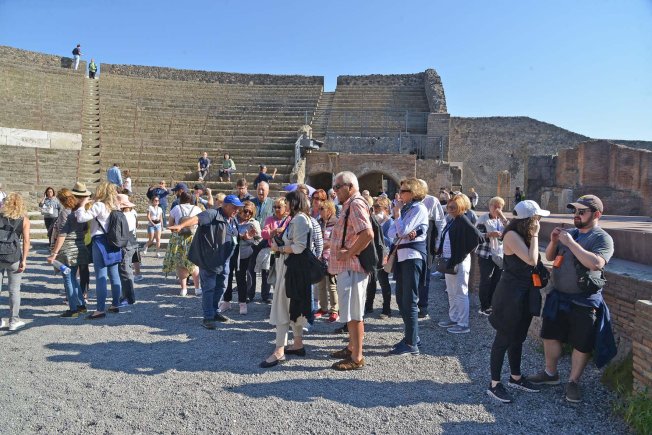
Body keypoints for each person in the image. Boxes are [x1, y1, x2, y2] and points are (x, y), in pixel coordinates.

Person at [529, 195, 615, 403]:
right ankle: (550, 373)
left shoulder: (602, 238)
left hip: (584, 300)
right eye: (574, 211)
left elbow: (596, 263)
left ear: (596, 214)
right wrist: (554, 241)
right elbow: (551, 257)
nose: (576, 215)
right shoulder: (571, 233)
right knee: (550, 335)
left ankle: (573, 381)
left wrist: (571, 243)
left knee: (581, 343)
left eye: (581, 212)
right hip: (559, 296)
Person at [486, 200, 549, 403]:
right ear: (530, 220)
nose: (539, 221)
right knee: (503, 338)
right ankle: (494, 384)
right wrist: (536, 235)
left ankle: (515, 377)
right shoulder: (512, 235)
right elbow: (531, 260)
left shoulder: (522, 234)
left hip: (526, 292)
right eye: (537, 218)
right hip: (510, 294)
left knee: (518, 337)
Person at [169, 195, 242, 330]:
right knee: (209, 287)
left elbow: (233, 235)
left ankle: (214, 311)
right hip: (210, 259)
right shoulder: (212, 214)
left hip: (224, 260)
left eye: (238, 208)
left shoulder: (232, 219)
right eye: (234, 207)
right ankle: (208, 317)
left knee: (222, 286)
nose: (237, 210)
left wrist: (244, 236)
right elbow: (197, 219)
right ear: (225, 205)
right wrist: (181, 225)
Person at [261, 190, 313, 368]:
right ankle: (298, 343)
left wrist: (279, 249)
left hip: (291, 270)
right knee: (293, 307)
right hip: (294, 269)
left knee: (282, 307)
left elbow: (299, 247)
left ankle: (279, 350)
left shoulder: (299, 220)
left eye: (288, 202)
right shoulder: (301, 219)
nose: (286, 205)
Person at [328, 171, 374, 371]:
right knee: (351, 312)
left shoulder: (355, 204)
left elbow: (367, 234)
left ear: (350, 186)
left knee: (355, 314)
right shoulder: (351, 204)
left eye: (338, 187)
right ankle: (351, 347)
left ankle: (357, 357)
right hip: (349, 268)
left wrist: (348, 253)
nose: (335, 191)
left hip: (353, 267)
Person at [387, 178, 429, 355]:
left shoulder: (418, 209)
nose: (399, 194)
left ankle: (411, 343)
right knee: (401, 298)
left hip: (412, 257)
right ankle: (411, 336)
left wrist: (397, 217)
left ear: (413, 193)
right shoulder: (407, 209)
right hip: (403, 257)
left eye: (403, 191)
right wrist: (399, 222)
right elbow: (392, 233)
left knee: (409, 300)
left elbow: (401, 231)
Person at [436, 194, 483, 334]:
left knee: (461, 292)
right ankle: (454, 318)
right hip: (451, 261)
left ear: (461, 207)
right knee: (451, 291)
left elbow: (477, 237)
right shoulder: (453, 220)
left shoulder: (462, 219)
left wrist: (462, 253)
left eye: (453, 207)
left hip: (459, 261)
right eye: (449, 207)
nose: (450, 209)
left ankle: (463, 323)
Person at [75, 182, 122, 319]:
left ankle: (100, 309)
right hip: (114, 241)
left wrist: (82, 204)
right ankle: (115, 304)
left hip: (100, 241)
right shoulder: (116, 206)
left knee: (101, 276)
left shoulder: (99, 205)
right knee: (114, 275)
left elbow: (81, 218)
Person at [47, 186, 91, 317]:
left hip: (67, 249)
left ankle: (73, 309)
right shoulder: (79, 211)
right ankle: (81, 305)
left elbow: (62, 234)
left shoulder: (65, 212)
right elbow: (85, 229)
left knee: (68, 279)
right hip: (79, 247)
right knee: (73, 278)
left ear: (61, 200)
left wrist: (54, 253)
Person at [0, 192, 30, 331]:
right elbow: (26, 241)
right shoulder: (24, 219)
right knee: (14, 290)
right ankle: (14, 320)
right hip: (14, 257)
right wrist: (24, 259)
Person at [416, 179, 446, 318]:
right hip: (413, 241)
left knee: (425, 275)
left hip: (427, 240)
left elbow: (440, 223)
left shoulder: (432, 201)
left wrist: (437, 244)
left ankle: (423, 306)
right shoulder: (409, 200)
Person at [163, 192, 202, 296]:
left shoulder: (176, 208)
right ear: (191, 199)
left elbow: (170, 225)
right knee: (194, 263)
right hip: (193, 238)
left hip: (178, 239)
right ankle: (197, 288)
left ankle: (183, 289)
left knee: (181, 264)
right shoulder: (197, 209)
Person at [475, 196, 509, 316]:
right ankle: (484, 306)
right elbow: (477, 236)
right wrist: (490, 234)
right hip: (486, 253)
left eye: (499, 207)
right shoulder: (483, 219)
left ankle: (492, 304)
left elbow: (511, 230)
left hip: (499, 254)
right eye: (494, 206)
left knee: (497, 280)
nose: (496, 209)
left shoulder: (501, 220)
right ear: (489, 206)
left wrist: (503, 217)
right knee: (486, 280)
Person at [258, 197, 290, 304]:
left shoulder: (289, 219)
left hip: (286, 252)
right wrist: (274, 231)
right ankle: (268, 297)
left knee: (284, 278)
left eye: (279, 207)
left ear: (285, 207)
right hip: (272, 251)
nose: (276, 209)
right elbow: (264, 234)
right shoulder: (270, 219)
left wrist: (281, 231)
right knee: (270, 276)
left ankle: (282, 301)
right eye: (274, 207)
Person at [366, 197, 393, 318]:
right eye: (374, 207)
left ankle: (386, 309)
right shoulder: (373, 220)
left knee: (384, 282)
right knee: (371, 282)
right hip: (373, 254)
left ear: (386, 209)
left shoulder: (389, 222)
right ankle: (369, 306)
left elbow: (390, 241)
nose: (375, 209)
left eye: (378, 207)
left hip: (384, 256)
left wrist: (378, 232)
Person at [233, 201, 262, 314]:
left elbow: (259, 239)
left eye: (250, 212)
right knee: (229, 277)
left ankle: (243, 302)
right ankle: (226, 301)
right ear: (241, 210)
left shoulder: (253, 223)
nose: (247, 214)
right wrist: (240, 237)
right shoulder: (234, 220)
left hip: (246, 254)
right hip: (232, 252)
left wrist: (250, 240)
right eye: (246, 211)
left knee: (242, 278)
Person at [314, 199, 339, 322]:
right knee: (321, 284)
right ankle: (323, 308)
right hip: (320, 258)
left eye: (322, 209)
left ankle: (335, 310)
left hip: (331, 257)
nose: (319, 211)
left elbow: (336, 240)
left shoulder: (336, 223)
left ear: (329, 210)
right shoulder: (319, 222)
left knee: (332, 285)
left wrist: (323, 246)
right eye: (319, 209)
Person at [116, 194, 138, 306]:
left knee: (125, 271)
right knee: (127, 270)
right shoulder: (133, 213)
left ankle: (128, 297)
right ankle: (127, 296)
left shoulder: (122, 216)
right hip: (132, 242)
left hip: (126, 243)